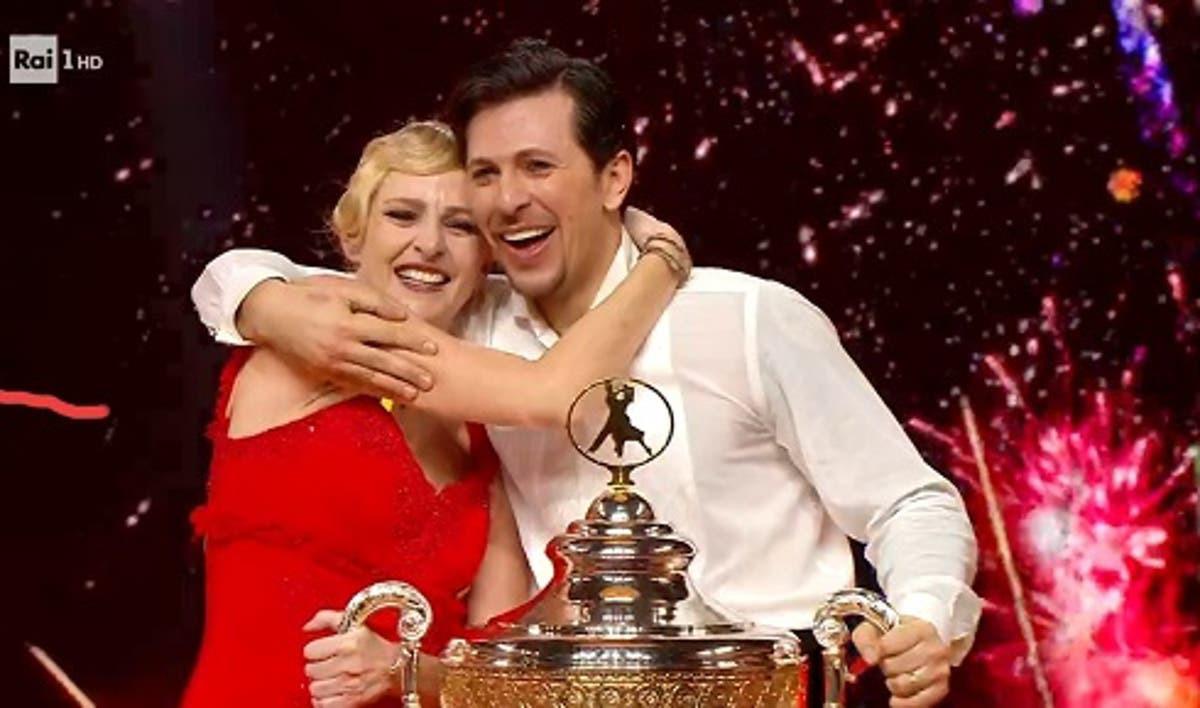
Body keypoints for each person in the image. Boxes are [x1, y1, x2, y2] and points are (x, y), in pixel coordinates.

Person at [191, 40, 980, 707]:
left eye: (537, 166)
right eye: (486, 174)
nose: (509, 200)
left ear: (614, 179)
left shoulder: (747, 317)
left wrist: (923, 614)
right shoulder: (469, 323)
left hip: (760, 686)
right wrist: (260, 299)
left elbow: (908, 500)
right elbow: (330, 279)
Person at [182, 120, 691, 708]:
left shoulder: (477, 436)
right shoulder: (313, 342)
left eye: (461, 225)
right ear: (353, 240)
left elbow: (494, 671)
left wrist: (408, 669)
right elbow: (557, 394)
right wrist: (662, 261)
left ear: (488, 257)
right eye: (402, 216)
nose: (429, 244)